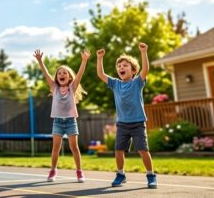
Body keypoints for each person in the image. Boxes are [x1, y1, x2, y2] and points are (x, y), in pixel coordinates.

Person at [96, 42, 157, 188]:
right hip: (122, 124)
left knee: (143, 150)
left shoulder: (137, 82)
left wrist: (144, 52)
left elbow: (146, 69)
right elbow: (100, 74)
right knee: (118, 150)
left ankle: (151, 175)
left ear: (133, 70)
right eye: (119, 66)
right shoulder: (116, 84)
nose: (121, 68)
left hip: (138, 123)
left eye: (125, 66)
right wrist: (99, 59)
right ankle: (121, 174)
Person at [34, 49, 89, 183]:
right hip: (58, 122)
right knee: (56, 148)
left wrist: (84, 60)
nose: (62, 74)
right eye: (59, 73)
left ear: (69, 77)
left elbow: (80, 74)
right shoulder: (54, 88)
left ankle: (79, 171)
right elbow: (46, 74)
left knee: (74, 148)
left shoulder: (72, 87)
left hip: (71, 122)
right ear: (57, 77)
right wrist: (40, 61)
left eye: (65, 73)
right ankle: (53, 170)